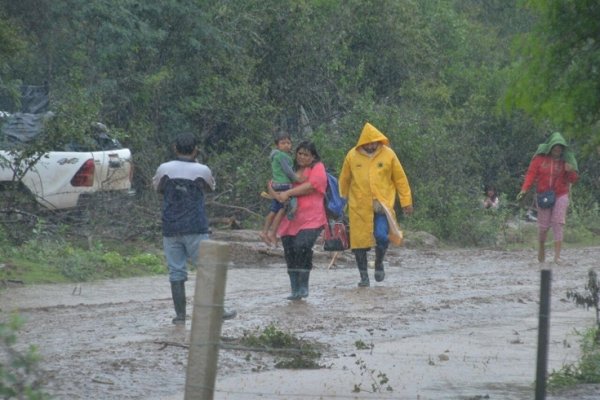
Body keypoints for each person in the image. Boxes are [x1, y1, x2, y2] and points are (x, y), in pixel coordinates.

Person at [153, 133, 237, 324]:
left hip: (171, 227)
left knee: (176, 272)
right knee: (207, 269)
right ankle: (218, 310)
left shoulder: (164, 168)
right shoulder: (203, 169)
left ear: (175, 148)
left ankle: (180, 316)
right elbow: (210, 187)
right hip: (195, 227)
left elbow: (157, 188)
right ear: (195, 149)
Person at [339, 122, 413, 287]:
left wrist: (406, 202)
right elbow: (344, 179)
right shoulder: (352, 156)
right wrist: (341, 201)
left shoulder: (388, 155)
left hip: (381, 206)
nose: (372, 145)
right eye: (369, 143)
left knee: (381, 236)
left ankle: (379, 262)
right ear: (363, 142)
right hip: (359, 206)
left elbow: (400, 179)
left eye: (375, 142)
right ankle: (363, 277)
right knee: (359, 244)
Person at [269, 141, 327, 300]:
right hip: (289, 219)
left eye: (306, 154)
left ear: (313, 156)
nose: (302, 157)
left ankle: (303, 286)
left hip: (312, 218)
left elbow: (311, 186)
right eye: (300, 153)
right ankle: (295, 289)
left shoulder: (318, 168)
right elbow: (274, 182)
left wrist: (288, 193)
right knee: (289, 252)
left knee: (302, 246)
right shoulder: (290, 167)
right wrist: (275, 193)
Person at [517, 132, 578, 264]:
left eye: (560, 148)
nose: (557, 150)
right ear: (550, 147)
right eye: (555, 147)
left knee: (558, 223)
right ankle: (541, 249)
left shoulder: (566, 161)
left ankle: (557, 257)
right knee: (543, 227)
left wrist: (570, 170)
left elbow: (573, 179)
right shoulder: (539, 160)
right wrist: (524, 190)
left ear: (563, 149)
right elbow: (530, 175)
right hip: (543, 195)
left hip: (561, 194)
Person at [260, 132, 305, 246]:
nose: (286, 145)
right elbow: (288, 172)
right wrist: (298, 179)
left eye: (288, 143)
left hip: (276, 185)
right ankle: (273, 234)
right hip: (284, 185)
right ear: (277, 145)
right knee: (282, 210)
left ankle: (264, 232)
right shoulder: (282, 156)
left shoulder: (275, 155)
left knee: (273, 210)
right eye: (283, 143)